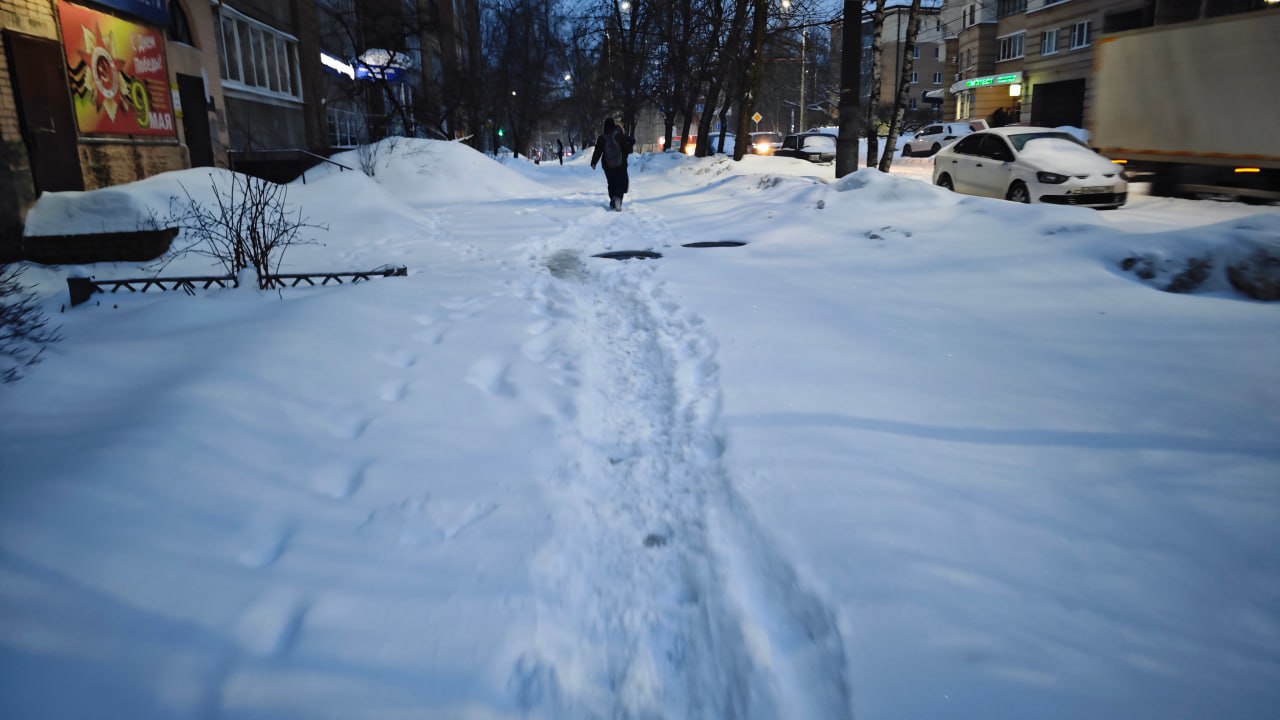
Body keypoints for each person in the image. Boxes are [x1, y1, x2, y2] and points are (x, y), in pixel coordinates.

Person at [590, 118, 636, 211]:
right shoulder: (619, 136)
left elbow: (598, 151)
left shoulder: (601, 138)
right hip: (621, 164)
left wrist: (594, 162)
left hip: (608, 165)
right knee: (620, 182)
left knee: (611, 183)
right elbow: (627, 149)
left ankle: (613, 200)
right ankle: (618, 198)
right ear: (614, 125)